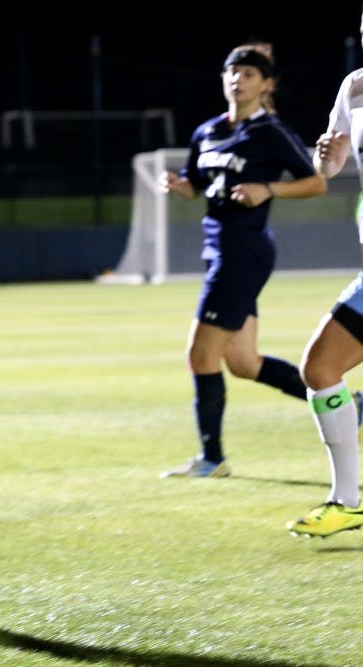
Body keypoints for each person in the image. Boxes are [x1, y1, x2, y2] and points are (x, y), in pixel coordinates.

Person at [158, 42, 329, 478]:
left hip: (242, 253)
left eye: (250, 74)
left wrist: (268, 189)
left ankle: (212, 459)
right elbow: (197, 185)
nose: (239, 79)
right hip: (219, 250)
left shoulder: (269, 132)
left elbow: (315, 183)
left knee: (200, 356)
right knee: (243, 362)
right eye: (233, 72)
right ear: (223, 79)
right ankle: (354, 405)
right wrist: (179, 186)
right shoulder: (207, 131)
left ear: (267, 84)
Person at [286, 12, 363, 538]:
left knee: (320, 365)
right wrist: (327, 160)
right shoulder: (354, 86)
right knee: (320, 368)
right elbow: (331, 164)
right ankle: (347, 502)